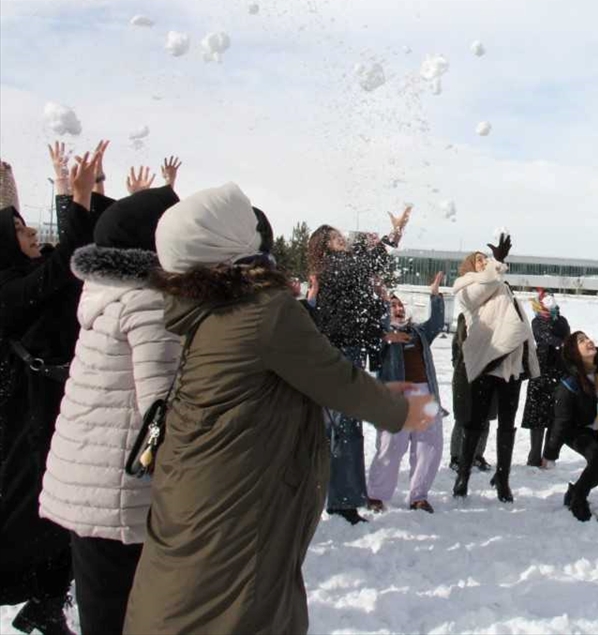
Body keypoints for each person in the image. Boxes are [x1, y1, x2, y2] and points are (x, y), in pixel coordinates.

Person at [122, 183, 434, 634]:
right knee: (234, 606)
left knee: (186, 599)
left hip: (203, 488)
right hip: (238, 501)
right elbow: (335, 379)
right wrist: (404, 409)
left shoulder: (210, 304)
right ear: (227, 241)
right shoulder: (260, 309)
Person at [38, 173, 182, 635]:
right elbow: (158, 411)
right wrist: (169, 473)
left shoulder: (104, 291)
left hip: (88, 480)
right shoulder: (147, 302)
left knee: (101, 609)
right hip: (120, 491)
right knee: (120, 616)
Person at [1, 143, 107, 635]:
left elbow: (67, 263)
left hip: (48, 416)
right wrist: (74, 196)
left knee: (63, 513)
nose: (31, 235)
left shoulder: (26, 270)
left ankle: (45, 602)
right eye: (22, 231)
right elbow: (68, 261)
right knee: (25, 515)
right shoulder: (7, 286)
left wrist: (73, 190)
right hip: (19, 425)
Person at [307, 208, 410, 524]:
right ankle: (341, 501)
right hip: (338, 356)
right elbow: (366, 263)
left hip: (347, 354)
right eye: (336, 237)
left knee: (342, 428)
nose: (343, 239)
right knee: (344, 429)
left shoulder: (342, 269)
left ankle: (339, 497)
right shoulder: (332, 267)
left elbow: (367, 276)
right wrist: (391, 238)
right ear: (324, 246)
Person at [450, 235, 541, 502]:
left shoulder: (502, 286)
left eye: (486, 259)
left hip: (510, 364)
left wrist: (527, 355)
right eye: (479, 260)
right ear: (469, 266)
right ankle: (463, 473)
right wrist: (497, 263)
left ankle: (503, 477)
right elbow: (482, 289)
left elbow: (518, 321)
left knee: (507, 423)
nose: (484, 262)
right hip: (486, 362)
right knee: (475, 422)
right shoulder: (465, 287)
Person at [366, 275, 446, 514]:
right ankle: (376, 496)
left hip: (425, 395)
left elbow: (437, 322)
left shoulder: (419, 332)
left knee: (429, 448)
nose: (398, 308)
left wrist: (435, 294)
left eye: (400, 305)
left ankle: (418, 497)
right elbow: (374, 341)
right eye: (393, 305)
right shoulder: (381, 336)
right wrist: (382, 302)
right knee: (391, 448)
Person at [543, 331, 598, 521]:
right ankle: (578, 502)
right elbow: (560, 421)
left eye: (588, 338)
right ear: (574, 352)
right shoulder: (569, 383)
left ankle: (574, 492)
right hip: (575, 430)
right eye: (582, 341)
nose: (589, 341)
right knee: (596, 456)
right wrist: (550, 453)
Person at [522, 289, 571, 467]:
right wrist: (560, 342)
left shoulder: (561, 320)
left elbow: (567, 338)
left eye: (551, 298)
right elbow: (545, 337)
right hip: (540, 371)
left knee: (554, 416)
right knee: (537, 417)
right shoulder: (536, 321)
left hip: (559, 371)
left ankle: (548, 455)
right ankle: (534, 456)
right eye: (545, 299)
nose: (550, 301)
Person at [449, 311, 492, 473]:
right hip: (465, 374)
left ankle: (477, 455)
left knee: (485, 418)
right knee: (462, 417)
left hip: (487, 375)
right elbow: (459, 344)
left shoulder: (495, 317)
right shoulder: (465, 316)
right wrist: (460, 365)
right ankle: (456, 456)